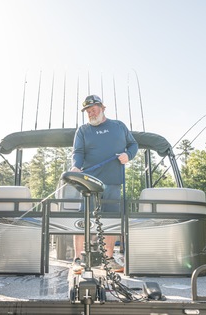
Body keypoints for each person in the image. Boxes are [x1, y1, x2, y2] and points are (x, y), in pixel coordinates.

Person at [71, 94, 138, 274]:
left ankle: (107, 259)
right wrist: (76, 167)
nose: (91, 113)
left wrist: (128, 156)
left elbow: (133, 145)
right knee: (82, 220)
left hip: (113, 183)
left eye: (93, 109)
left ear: (102, 108)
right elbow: (78, 152)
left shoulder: (119, 126)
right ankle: (78, 259)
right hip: (88, 183)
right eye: (88, 111)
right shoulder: (83, 130)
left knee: (111, 221)